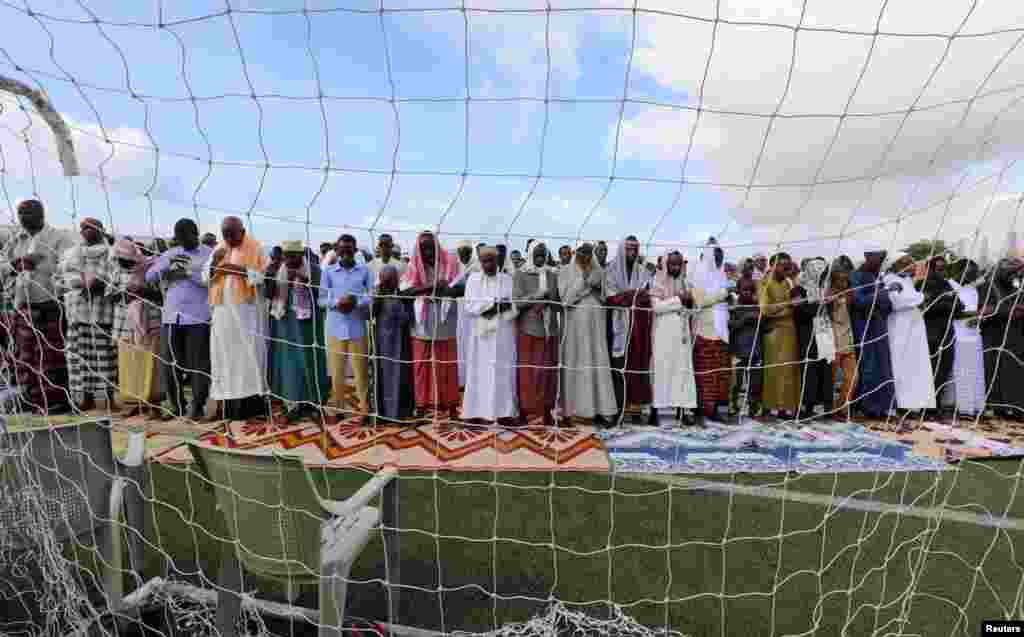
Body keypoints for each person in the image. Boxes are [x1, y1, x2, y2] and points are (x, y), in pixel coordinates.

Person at [1, 200, 75, 414]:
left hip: (51, 304)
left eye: (29, 212)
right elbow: (3, 265)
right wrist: (16, 264)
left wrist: (41, 264)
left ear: (41, 213)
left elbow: (69, 266)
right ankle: (30, 398)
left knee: (52, 356)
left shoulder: (60, 238)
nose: (24, 216)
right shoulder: (16, 240)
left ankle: (57, 400)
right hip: (23, 305)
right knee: (26, 355)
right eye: (20, 213)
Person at [204, 216, 269, 422]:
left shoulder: (257, 247)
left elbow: (264, 277)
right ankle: (227, 407)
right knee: (224, 356)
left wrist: (237, 270)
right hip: (222, 314)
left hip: (247, 314)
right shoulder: (219, 249)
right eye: (226, 234)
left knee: (248, 356)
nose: (229, 238)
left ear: (242, 231)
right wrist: (215, 262)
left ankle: (253, 408)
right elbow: (205, 276)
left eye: (233, 234)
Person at [147, 218, 213, 420]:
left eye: (186, 237)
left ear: (196, 233)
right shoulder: (170, 254)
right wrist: (165, 270)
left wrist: (186, 273)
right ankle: (177, 406)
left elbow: (211, 280)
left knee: (198, 365)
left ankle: (198, 406)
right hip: (171, 316)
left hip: (197, 318)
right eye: (179, 238)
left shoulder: (208, 254)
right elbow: (149, 276)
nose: (183, 241)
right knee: (170, 365)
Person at [401, 231, 464, 420]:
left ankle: (451, 406)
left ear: (437, 246)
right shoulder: (413, 265)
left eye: (431, 247)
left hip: (445, 322)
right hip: (422, 325)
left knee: (446, 365)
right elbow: (404, 292)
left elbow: (463, 288)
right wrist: (429, 288)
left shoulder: (451, 263)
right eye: (424, 248)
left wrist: (448, 289)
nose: (428, 252)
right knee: (422, 367)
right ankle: (421, 406)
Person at [266, 240, 329, 422]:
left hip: (309, 325)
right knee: (289, 362)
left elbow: (322, 297)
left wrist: (305, 281)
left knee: (310, 360)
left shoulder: (315, 270)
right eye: (286, 256)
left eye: (293, 256)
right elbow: (269, 295)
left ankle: (314, 403)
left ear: (301, 255)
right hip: (284, 323)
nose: (289, 259)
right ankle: (292, 404)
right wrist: (270, 276)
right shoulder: (278, 270)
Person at [61, 217, 117, 412]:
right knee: (78, 358)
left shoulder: (112, 253)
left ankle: (108, 399)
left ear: (101, 230)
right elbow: (63, 278)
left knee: (104, 358)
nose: (86, 230)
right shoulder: (71, 253)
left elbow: (116, 277)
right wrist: (79, 282)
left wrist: (101, 284)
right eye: (83, 227)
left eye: (90, 226)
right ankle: (83, 399)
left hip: (101, 312)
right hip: (77, 311)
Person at [559, 243, 617, 425]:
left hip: (596, 326)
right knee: (577, 362)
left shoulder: (599, 271)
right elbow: (566, 298)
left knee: (597, 363)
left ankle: (603, 410)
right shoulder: (565, 271)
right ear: (576, 253)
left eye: (588, 252)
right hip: (576, 327)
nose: (585, 256)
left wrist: (594, 287)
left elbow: (605, 296)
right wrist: (584, 282)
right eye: (582, 252)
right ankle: (574, 411)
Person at [319, 234, 372, 425]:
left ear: (355, 250)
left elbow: (372, 295)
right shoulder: (328, 271)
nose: (346, 253)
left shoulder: (364, 271)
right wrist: (337, 303)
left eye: (350, 249)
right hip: (335, 326)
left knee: (361, 370)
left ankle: (364, 409)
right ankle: (338, 407)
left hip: (357, 325)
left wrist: (356, 301)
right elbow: (321, 299)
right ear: (338, 251)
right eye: (343, 249)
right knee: (337, 370)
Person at [461, 247, 518, 423]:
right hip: (481, 335)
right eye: (484, 261)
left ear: (497, 261)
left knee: (503, 370)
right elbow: (469, 306)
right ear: (480, 262)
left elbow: (514, 305)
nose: (488, 264)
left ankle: (505, 413)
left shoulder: (507, 279)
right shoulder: (473, 279)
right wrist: (491, 306)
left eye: (491, 260)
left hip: (503, 333)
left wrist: (500, 307)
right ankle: (476, 412)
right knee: (479, 370)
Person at [110, 238, 164, 419]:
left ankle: (154, 405)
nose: (123, 263)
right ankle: (132, 403)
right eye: (119, 259)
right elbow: (109, 295)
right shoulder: (116, 271)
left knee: (151, 365)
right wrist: (124, 294)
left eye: (126, 259)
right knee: (128, 366)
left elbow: (161, 296)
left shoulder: (150, 268)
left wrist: (141, 291)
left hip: (149, 323)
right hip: (124, 324)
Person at [605, 236, 654, 423]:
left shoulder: (643, 272)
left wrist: (626, 296)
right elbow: (610, 298)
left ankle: (635, 410)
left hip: (638, 327)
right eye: (629, 249)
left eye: (635, 249)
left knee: (637, 367)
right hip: (618, 325)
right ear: (621, 250)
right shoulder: (610, 271)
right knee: (618, 368)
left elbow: (646, 297)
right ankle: (617, 409)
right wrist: (633, 295)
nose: (632, 253)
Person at [512, 242, 560, 427]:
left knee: (547, 373)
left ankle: (546, 411)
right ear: (531, 255)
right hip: (528, 330)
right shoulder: (521, 274)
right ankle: (524, 411)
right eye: (537, 255)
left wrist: (548, 301)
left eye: (543, 255)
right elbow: (517, 301)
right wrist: (536, 298)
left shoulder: (552, 274)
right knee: (527, 373)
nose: (540, 258)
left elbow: (558, 302)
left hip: (549, 331)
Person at [848, 246, 897, 420]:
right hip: (863, 326)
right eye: (878, 258)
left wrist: (886, 297)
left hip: (879, 325)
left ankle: (883, 407)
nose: (881, 261)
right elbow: (859, 301)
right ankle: (866, 406)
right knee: (867, 367)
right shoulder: (855, 276)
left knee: (883, 366)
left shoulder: (878, 277)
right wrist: (883, 293)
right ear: (867, 256)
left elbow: (887, 305)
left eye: (883, 258)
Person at [884, 253, 936, 416]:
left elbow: (912, 299)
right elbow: (897, 301)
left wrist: (919, 299)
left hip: (914, 328)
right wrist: (921, 298)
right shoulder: (890, 280)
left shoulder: (906, 281)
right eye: (905, 262)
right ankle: (902, 403)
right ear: (895, 264)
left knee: (916, 365)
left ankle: (917, 403)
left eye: (911, 262)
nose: (910, 265)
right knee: (902, 364)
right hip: (900, 328)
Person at [650, 251, 697, 426]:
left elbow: (691, 305)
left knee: (682, 371)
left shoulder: (686, 282)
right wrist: (678, 299)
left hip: (682, 332)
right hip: (663, 332)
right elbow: (656, 307)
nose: (676, 267)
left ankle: (683, 410)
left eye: (679, 264)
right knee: (662, 370)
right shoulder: (657, 281)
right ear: (666, 264)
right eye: (672, 264)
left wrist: (690, 303)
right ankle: (655, 411)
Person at [691, 239, 732, 422]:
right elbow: (700, 302)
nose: (719, 260)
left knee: (719, 375)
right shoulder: (698, 276)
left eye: (721, 256)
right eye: (716, 256)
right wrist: (723, 295)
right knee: (705, 374)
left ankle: (715, 408)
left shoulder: (721, 275)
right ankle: (702, 409)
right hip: (705, 332)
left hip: (721, 332)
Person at [979, 258, 1024, 421]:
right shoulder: (988, 286)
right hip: (994, 336)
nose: (1015, 275)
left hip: (1015, 335)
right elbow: (983, 311)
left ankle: (1015, 407)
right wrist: (1007, 311)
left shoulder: (1016, 288)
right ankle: (997, 407)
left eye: (1017, 272)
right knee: (995, 370)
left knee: (1015, 372)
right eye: (1012, 271)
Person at [758, 253, 800, 419]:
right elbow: (765, 309)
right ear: (773, 266)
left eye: (788, 266)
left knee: (789, 370)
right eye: (784, 266)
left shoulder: (788, 282)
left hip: (789, 330)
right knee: (774, 371)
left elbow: (796, 301)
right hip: (775, 332)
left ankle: (784, 408)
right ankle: (770, 407)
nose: (787, 269)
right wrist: (788, 305)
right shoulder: (764, 283)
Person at [372, 265, 415, 422]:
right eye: (385, 280)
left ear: (397, 280)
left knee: (401, 376)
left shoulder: (404, 296)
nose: (387, 283)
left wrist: (400, 301)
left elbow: (408, 318)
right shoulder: (378, 296)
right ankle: (384, 412)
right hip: (382, 343)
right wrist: (379, 296)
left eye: (390, 280)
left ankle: (401, 412)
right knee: (383, 376)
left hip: (400, 342)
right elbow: (371, 314)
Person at [920, 254, 963, 414]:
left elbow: (960, 306)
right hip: (930, 333)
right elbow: (928, 306)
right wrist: (947, 304)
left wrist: (945, 303)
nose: (942, 271)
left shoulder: (947, 285)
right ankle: (926, 406)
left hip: (947, 332)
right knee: (930, 370)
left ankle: (936, 404)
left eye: (944, 268)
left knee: (944, 369)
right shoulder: (922, 284)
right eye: (939, 268)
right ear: (930, 269)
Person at [944, 260, 986, 418]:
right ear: (960, 271)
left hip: (973, 334)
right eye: (970, 272)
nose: (974, 276)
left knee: (974, 371)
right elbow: (951, 310)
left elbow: (975, 310)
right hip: (957, 334)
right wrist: (975, 315)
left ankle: (971, 406)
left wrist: (980, 317)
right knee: (957, 371)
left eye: (975, 273)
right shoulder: (950, 286)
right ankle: (953, 405)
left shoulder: (972, 289)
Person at [793, 257, 834, 418]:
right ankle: (808, 407)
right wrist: (818, 305)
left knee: (826, 368)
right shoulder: (799, 289)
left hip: (824, 332)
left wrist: (823, 303)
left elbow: (829, 307)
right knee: (810, 370)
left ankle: (827, 407)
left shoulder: (825, 289)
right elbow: (799, 311)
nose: (823, 277)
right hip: (807, 334)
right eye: (821, 273)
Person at [729, 276, 762, 418]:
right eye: (744, 290)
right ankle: (732, 405)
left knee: (754, 382)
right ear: (738, 290)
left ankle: (753, 406)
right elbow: (730, 326)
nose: (748, 292)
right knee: (736, 382)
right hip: (738, 350)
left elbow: (764, 326)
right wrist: (745, 319)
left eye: (750, 290)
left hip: (755, 350)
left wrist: (758, 319)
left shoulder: (758, 307)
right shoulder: (734, 308)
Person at [828, 264, 858, 419]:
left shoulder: (849, 294)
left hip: (848, 337)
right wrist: (835, 296)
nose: (844, 283)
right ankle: (830, 408)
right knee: (832, 377)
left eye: (846, 280)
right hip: (834, 338)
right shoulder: (829, 295)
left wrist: (849, 297)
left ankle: (842, 407)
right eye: (840, 280)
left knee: (852, 377)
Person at [454, 239, 480, 389]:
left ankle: (471, 379)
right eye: (461, 251)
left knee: (470, 342)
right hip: (458, 309)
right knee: (459, 342)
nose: (464, 254)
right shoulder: (455, 266)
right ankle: (460, 380)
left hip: (471, 311)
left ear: (471, 252)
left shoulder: (476, 267)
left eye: (467, 251)